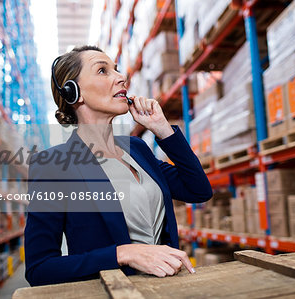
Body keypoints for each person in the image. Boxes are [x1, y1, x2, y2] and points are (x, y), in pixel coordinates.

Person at [24, 45, 213, 286]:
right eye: (103, 71)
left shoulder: (137, 149)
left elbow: (198, 190)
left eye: (117, 69)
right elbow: (40, 269)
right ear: (74, 93)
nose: (121, 77)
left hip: (167, 289)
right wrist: (123, 254)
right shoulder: (54, 165)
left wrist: (162, 129)